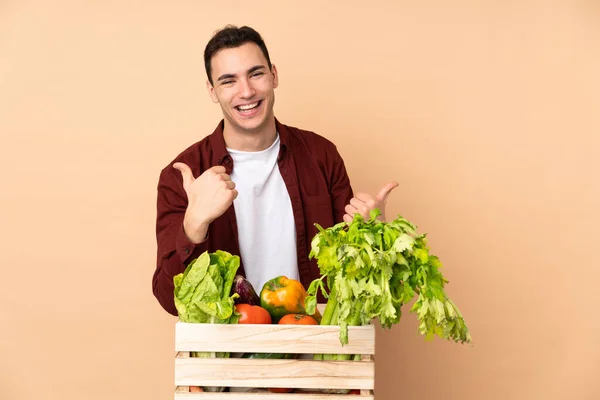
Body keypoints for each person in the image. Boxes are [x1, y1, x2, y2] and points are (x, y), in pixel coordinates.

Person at [152, 25, 397, 316]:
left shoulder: (321, 155)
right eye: (228, 81)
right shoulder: (184, 175)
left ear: (274, 75)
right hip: (227, 355)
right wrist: (193, 226)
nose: (246, 91)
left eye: (256, 74)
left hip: (315, 346)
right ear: (212, 91)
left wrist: (374, 237)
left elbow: (356, 286)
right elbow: (170, 301)